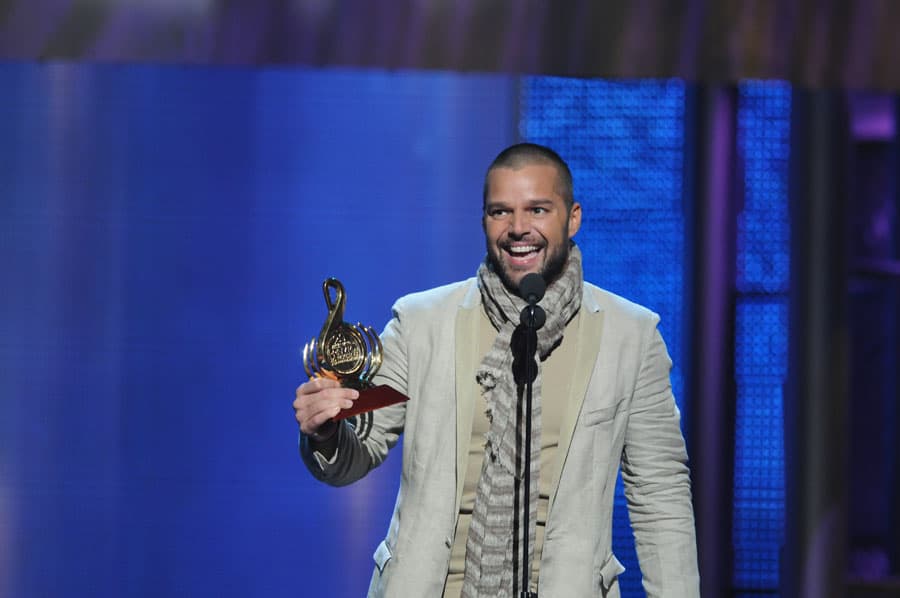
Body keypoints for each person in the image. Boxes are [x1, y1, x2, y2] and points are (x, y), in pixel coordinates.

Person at [293, 143, 700, 597]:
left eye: (538, 209)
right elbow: (355, 453)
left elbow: (660, 497)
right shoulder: (422, 324)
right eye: (500, 212)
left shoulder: (631, 337)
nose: (518, 228)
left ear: (574, 217)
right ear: (484, 220)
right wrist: (327, 433)